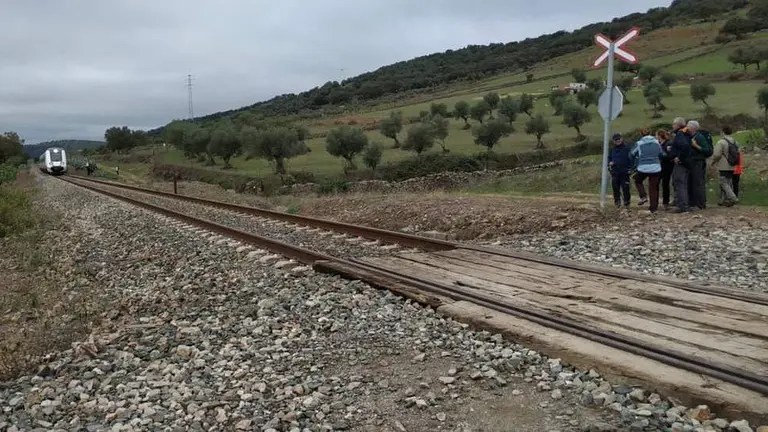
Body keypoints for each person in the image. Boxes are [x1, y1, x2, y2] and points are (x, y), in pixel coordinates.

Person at [631, 129, 663, 213]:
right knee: (653, 188)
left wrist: (636, 160)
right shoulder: (657, 143)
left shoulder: (639, 143)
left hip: (643, 167)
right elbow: (661, 154)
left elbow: (632, 154)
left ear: (641, 135)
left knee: (638, 180)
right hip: (656, 167)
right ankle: (653, 208)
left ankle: (643, 196)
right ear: (651, 134)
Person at [667, 117, 693, 213]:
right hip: (688, 162)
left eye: (673, 124)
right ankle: (685, 204)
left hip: (681, 163)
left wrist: (679, 157)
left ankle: (681, 206)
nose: (672, 126)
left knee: (679, 183)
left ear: (678, 125)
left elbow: (685, 146)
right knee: (684, 184)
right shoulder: (686, 133)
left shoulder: (680, 134)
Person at [686, 120, 712, 210]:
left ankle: (700, 204)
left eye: (688, 126)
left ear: (693, 128)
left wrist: (696, 145)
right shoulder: (690, 136)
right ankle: (692, 203)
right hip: (691, 162)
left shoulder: (700, 137)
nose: (686, 127)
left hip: (698, 162)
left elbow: (707, 150)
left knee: (698, 182)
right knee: (691, 182)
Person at [710, 125, 739, 207]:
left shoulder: (721, 142)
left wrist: (713, 162)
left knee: (723, 182)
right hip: (732, 164)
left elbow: (717, 154)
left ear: (722, 132)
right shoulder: (735, 142)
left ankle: (733, 198)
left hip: (723, 165)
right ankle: (724, 200)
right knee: (729, 182)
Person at [608, 133, 632, 209]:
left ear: (621, 139)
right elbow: (608, 158)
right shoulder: (612, 149)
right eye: (616, 140)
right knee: (615, 188)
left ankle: (627, 202)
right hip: (615, 171)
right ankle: (617, 202)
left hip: (625, 171)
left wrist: (630, 169)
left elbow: (631, 159)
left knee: (626, 187)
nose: (618, 141)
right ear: (614, 141)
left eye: (619, 139)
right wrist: (609, 163)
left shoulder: (627, 148)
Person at [657, 129, 675, 210]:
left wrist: (662, 156)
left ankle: (665, 202)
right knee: (656, 183)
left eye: (656, 135)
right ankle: (656, 201)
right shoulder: (659, 144)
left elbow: (670, 155)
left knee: (665, 184)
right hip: (659, 166)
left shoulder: (668, 143)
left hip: (667, 166)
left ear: (660, 136)